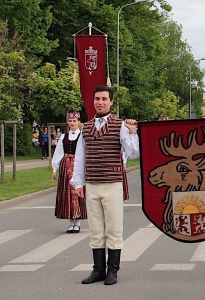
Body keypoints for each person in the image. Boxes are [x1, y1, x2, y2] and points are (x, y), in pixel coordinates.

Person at [71, 85, 139, 286]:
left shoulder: (119, 126)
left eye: (103, 99)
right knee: (96, 229)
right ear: (93, 102)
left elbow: (133, 153)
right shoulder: (86, 128)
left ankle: (113, 271)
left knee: (114, 228)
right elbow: (80, 157)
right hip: (92, 183)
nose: (100, 102)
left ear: (111, 102)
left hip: (112, 183)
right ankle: (98, 269)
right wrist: (77, 182)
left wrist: (133, 133)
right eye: (97, 99)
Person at [52, 112, 87, 234]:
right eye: (70, 121)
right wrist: (54, 169)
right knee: (67, 194)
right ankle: (71, 223)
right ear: (68, 123)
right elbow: (58, 153)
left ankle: (78, 222)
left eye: (74, 121)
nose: (72, 123)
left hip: (77, 166)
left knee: (77, 193)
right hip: (66, 167)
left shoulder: (82, 136)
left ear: (78, 122)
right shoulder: (63, 137)